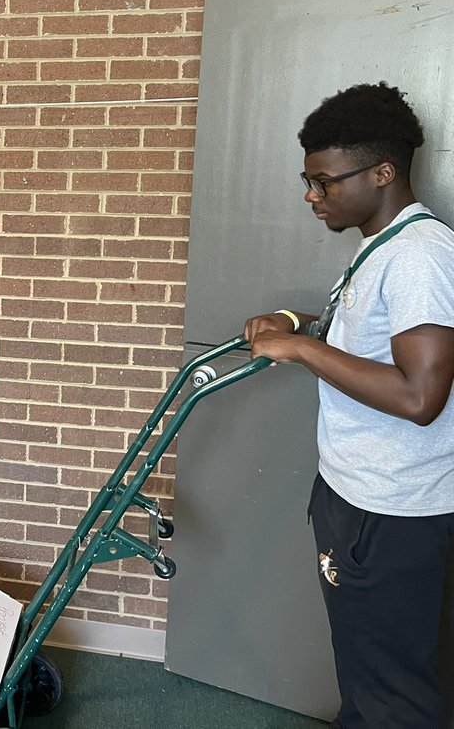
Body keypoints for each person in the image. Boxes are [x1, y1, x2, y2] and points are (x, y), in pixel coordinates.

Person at [244, 82, 454, 729]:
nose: (313, 195)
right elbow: (365, 334)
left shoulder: (421, 256)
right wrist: (292, 322)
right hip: (356, 494)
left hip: (394, 514)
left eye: (325, 182)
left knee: (395, 695)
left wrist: (301, 354)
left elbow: (420, 395)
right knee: (369, 672)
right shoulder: (380, 246)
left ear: (383, 172)